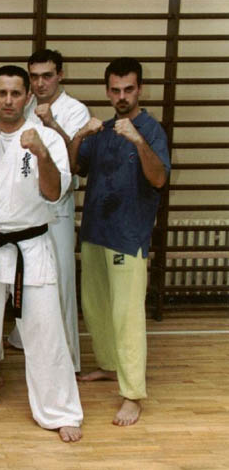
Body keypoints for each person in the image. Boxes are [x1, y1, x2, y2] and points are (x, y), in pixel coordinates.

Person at [0, 65, 83, 443]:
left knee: (45, 331)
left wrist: (42, 154)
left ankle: (59, 410)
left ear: (28, 96)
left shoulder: (48, 138)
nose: (9, 101)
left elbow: (53, 193)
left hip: (31, 247)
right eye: (2, 93)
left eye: (16, 93)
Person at [70, 57, 170, 426]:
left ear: (140, 89)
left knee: (127, 317)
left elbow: (158, 179)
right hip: (96, 230)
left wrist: (138, 140)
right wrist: (79, 135)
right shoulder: (103, 129)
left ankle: (132, 394)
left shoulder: (151, 130)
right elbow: (74, 167)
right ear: (108, 91)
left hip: (128, 236)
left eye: (128, 89)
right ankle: (110, 366)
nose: (122, 96)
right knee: (96, 307)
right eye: (115, 90)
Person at [7, 49, 90, 373]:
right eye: (34, 77)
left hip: (56, 209)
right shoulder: (25, 104)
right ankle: (21, 338)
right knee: (24, 277)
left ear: (60, 75)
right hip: (25, 207)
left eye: (47, 76)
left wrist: (51, 123)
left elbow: (74, 162)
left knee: (61, 283)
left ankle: (69, 360)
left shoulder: (75, 110)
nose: (40, 83)